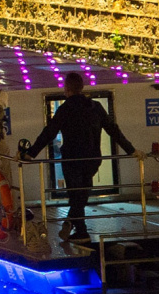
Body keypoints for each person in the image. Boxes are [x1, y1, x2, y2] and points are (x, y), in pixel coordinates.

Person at [20, 70, 133, 242]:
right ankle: (77, 227)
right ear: (82, 87)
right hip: (93, 159)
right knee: (82, 194)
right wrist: (131, 150)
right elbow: (113, 130)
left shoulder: (65, 109)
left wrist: (31, 153)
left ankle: (80, 231)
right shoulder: (96, 107)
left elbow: (49, 133)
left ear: (66, 89)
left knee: (76, 194)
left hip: (72, 160)